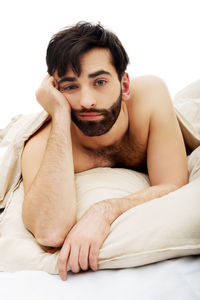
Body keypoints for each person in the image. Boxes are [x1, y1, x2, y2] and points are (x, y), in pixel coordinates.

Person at [21, 21, 188, 280]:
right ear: (55, 90)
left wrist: (104, 211)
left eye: (99, 82)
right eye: (70, 86)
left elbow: (174, 183)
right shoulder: (41, 146)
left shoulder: (150, 98)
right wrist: (60, 115)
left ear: (124, 86)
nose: (87, 101)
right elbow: (51, 233)